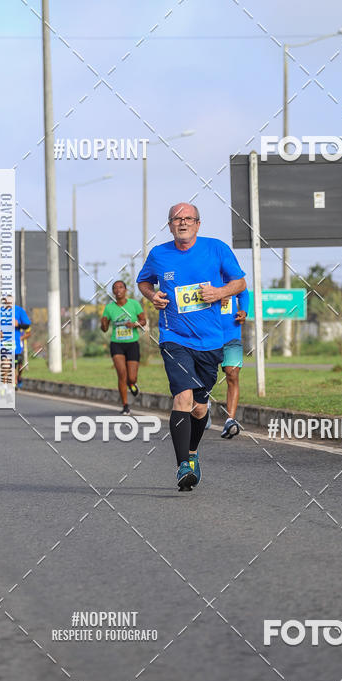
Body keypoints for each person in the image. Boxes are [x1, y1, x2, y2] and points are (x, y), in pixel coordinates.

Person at [137, 202, 246, 491]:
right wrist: (153, 297)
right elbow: (143, 282)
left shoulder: (217, 248)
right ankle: (182, 465)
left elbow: (240, 283)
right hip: (174, 338)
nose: (182, 223)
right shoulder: (159, 254)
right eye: (176, 219)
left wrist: (219, 292)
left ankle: (193, 453)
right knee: (182, 399)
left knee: (199, 408)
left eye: (188, 218)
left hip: (211, 341)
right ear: (170, 225)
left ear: (198, 223)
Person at [100, 280, 146, 415]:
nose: (118, 290)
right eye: (115, 288)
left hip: (132, 343)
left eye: (121, 287)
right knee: (121, 374)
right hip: (117, 344)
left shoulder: (134, 304)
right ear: (113, 292)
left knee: (131, 378)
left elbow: (144, 320)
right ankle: (125, 405)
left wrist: (135, 324)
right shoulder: (109, 308)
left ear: (125, 290)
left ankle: (132, 384)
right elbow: (104, 329)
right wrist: (103, 323)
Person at [219, 287, 249, 438]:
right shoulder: (203, 270)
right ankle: (203, 409)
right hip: (207, 335)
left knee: (232, 374)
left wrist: (244, 311)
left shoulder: (232, 275)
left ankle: (230, 420)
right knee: (205, 378)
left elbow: (243, 292)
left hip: (231, 334)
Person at [1, 295, 31, 390]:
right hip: (3, 343)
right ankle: (5, 384)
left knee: (17, 365)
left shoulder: (19, 311)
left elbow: (27, 326)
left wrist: (18, 324)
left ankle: (17, 379)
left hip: (17, 344)